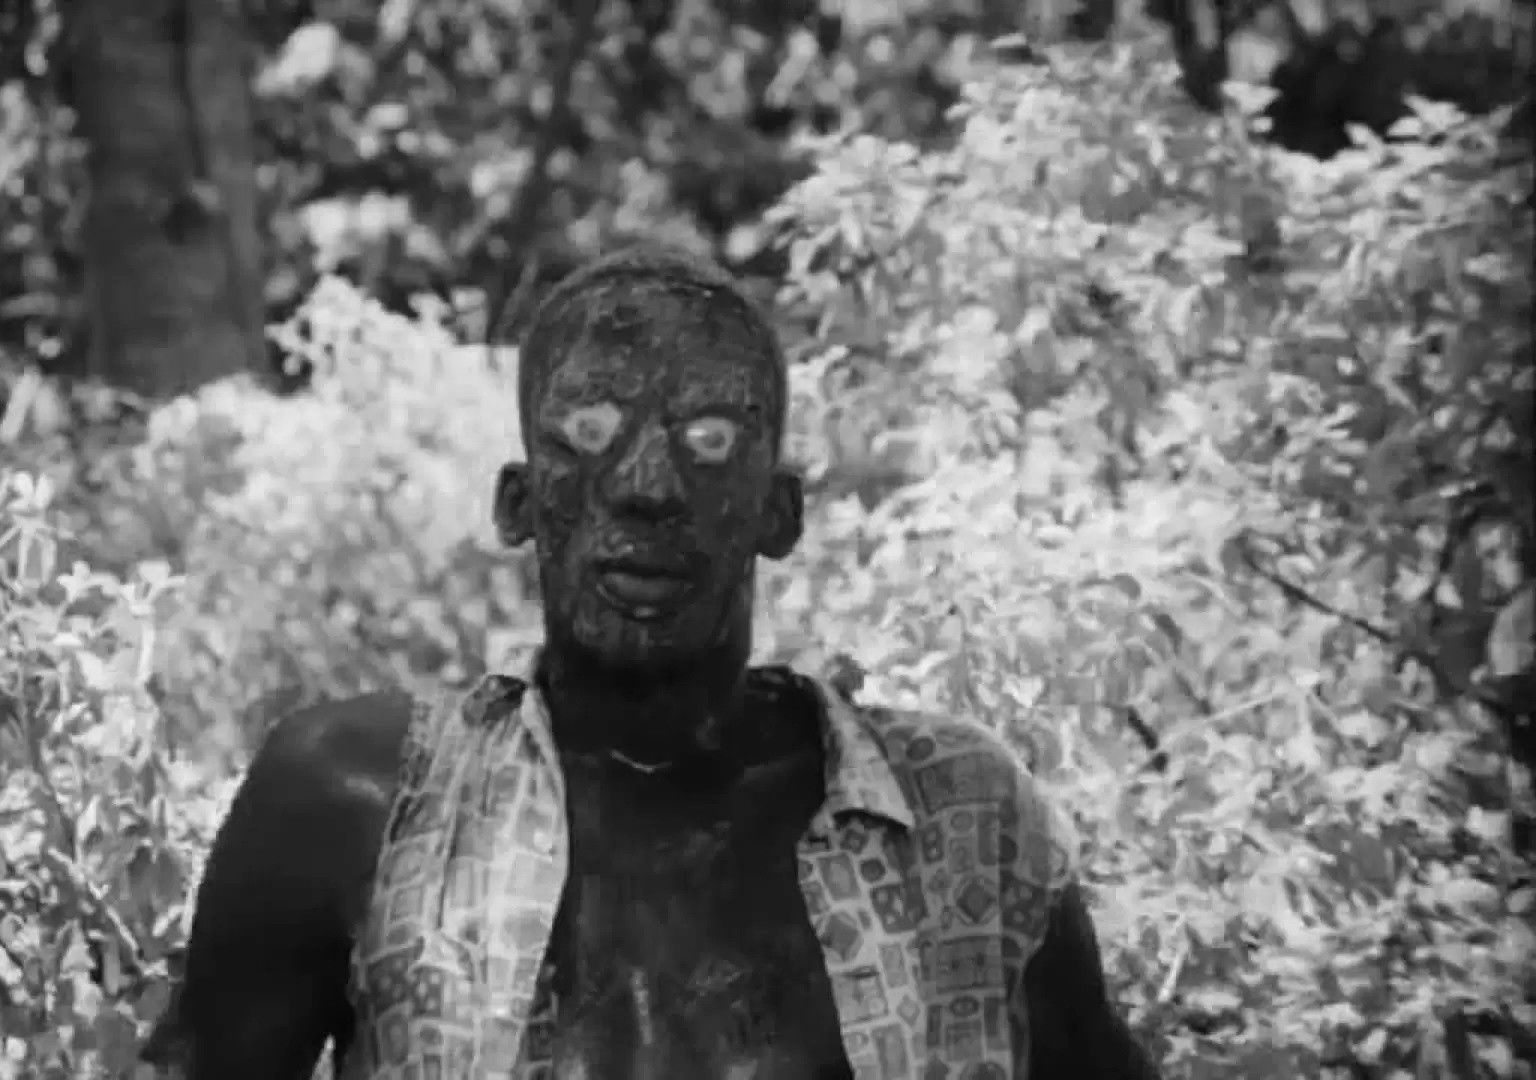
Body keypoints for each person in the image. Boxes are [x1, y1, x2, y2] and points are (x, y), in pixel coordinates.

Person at [143, 246, 1161, 1079]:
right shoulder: (356, 802)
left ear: (779, 513)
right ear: (518, 502)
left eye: (709, 438)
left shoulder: (961, 820)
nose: (645, 484)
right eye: (589, 430)